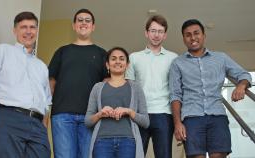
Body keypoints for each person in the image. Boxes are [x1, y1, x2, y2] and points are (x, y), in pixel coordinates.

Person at [169, 19, 252, 158]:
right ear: (184, 39)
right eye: (188, 34)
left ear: (204, 35)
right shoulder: (177, 63)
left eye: (196, 33)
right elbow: (175, 95)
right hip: (191, 118)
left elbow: (243, 74)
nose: (193, 37)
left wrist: (241, 86)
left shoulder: (221, 58)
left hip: (217, 116)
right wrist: (177, 124)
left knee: (219, 155)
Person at [0, 11, 51, 158]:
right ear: (15, 30)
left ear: (37, 30)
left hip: (37, 127)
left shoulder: (42, 66)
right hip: (8, 119)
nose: (29, 31)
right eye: (23, 27)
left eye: (32, 27)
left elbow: (47, 103)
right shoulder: (2, 51)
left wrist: (43, 128)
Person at [48, 8, 108, 158]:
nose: (83, 23)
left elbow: (107, 85)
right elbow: (50, 83)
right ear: (74, 25)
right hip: (62, 116)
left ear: (93, 26)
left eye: (87, 20)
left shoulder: (102, 54)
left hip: (91, 117)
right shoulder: (62, 51)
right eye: (80, 20)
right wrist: (46, 112)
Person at [125, 15, 178, 158]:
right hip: (139, 114)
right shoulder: (134, 57)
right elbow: (129, 87)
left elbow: (177, 89)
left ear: (165, 35)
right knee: (136, 155)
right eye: (153, 30)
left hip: (164, 114)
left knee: (164, 155)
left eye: (160, 31)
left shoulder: (173, 58)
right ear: (146, 33)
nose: (156, 35)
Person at [85, 47, 149, 158]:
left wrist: (129, 111)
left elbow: (146, 122)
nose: (118, 61)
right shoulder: (98, 88)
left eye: (121, 59)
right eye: (113, 59)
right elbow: (87, 121)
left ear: (127, 64)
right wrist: (100, 113)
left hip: (128, 142)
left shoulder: (135, 88)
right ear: (107, 64)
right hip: (102, 142)